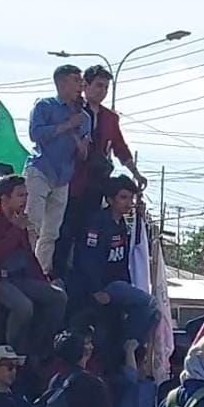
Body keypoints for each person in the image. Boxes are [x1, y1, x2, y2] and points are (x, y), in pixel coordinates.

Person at [55, 65, 147, 278]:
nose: (102, 91)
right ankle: (58, 273)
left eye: (106, 87)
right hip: (71, 180)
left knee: (89, 231)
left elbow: (120, 147)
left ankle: (81, 275)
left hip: (97, 183)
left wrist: (136, 172)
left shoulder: (110, 118)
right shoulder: (73, 109)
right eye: (98, 85)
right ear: (85, 85)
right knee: (65, 230)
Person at [0, 175, 67, 356]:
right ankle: (10, 348)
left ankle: (40, 345)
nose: (25, 200)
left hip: (19, 278)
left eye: (26, 195)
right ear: (5, 198)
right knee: (23, 307)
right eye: (20, 195)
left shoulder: (19, 220)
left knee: (58, 296)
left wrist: (42, 280)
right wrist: (15, 228)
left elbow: (28, 256)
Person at [75, 176, 160, 346]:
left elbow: (133, 250)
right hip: (104, 285)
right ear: (110, 200)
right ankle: (127, 344)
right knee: (149, 303)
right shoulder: (98, 223)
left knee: (153, 313)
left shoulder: (122, 224)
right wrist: (96, 290)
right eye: (123, 197)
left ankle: (130, 345)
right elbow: (87, 260)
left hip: (120, 283)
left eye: (131, 198)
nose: (128, 203)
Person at [25, 64, 92, 275]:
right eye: (75, 80)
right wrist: (66, 125)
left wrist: (81, 145)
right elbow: (35, 134)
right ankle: (24, 268)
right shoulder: (45, 106)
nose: (80, 85)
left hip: (63, 176)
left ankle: (42, 271)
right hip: (41, 169)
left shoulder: (84, 116)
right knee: (32, 223)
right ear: (61, 82)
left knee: (51, 231)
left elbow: (84, 152)